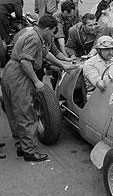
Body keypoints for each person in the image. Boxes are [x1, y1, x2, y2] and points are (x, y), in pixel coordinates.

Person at [0, 15, 73, 162]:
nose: (52, 35)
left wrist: (62, 64)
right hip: (19, 75)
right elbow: (26, 62)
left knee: (14, 113)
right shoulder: (34, 38)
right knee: (27, 113)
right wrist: (36, 81)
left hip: (9, 73)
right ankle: (30, 152)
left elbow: (46, 53)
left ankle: (21, 145)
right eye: (52, 32)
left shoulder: (33, 34)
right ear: (46, 29)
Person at [83, 35, 113, 99]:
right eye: (107, 49)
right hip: (95, 94)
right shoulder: (89, 63)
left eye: (112, 49)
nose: (111, 52)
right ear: (98, 50)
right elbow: (98, 83)